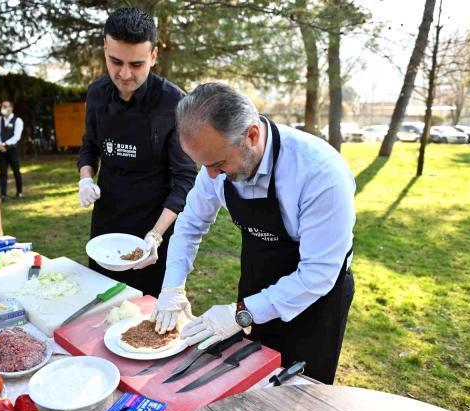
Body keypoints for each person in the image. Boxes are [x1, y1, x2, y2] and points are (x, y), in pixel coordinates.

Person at [151, 83, 356, 384]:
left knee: (299, 393)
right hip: (258, 278)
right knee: (251, 379)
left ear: (252, 135)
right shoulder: (215, 163)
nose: (209, 176)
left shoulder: (321, 173)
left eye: (218, 164)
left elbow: (319, 273)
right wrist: (172, 288)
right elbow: (190, 223)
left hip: (316, 301)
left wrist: (243, 313)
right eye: (203, 165)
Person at [77, 7, 197, 297]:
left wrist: (156, 235)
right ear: (105, 46)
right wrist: (85, 177)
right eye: (115, 61)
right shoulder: (96, 94)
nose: (125, 73)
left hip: (152, 227)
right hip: (106, 222)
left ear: (153, 56)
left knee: (143, 310)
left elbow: (185, 178)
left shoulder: (174, 102)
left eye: (137, 64)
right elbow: (90, 145)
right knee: (99, 301)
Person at [0, 100, 23, 201]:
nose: (4, 108)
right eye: (2, 106)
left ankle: (19, 192)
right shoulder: (0, 119)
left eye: (6, 106)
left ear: (11, 108)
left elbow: (17, 136)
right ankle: (3, 194)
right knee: (2, 172)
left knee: (16, 171)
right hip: (1, 150)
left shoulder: (18, 120)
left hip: (12, 150)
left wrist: (5, 144)